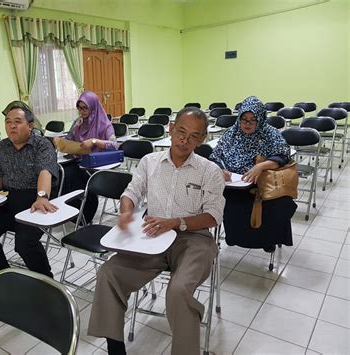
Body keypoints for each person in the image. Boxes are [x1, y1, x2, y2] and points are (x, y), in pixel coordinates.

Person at [88, 108, 225, 355]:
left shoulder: (209, 171)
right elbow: (132, 192)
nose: (185, 140)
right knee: (108, 272)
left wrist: (175, 222)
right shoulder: (150, 162)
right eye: (181, 132)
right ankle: (115, 349)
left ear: (202, 139)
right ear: (171, 129)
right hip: (153, 236)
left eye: (194, 136)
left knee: (179, 289)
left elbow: (213, 216)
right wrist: (126, 211)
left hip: (194, 239)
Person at [0, 101, 59, 279]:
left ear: (30, 125)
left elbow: (45, 173)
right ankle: (2, 277)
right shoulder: (3, 146)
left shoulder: (42, 145)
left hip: (36, 200)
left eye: (17, 121)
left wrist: (41, 197)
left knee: (24, 243)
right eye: (8, 121)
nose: (12, 126)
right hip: (12, 200)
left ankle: (47, 282)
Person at [210, 95, 297, 251]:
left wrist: (261, 166)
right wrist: (220, 169)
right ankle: (234, 236)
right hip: (233, 184)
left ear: (260, 119)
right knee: (228, 203)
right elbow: (215, 156)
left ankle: (268, 241)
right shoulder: (231, 133)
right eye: (244, 119)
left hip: (262, 184)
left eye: (253, 120)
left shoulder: (270, 133)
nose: (248, 124)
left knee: (278, 206)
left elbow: (283, 155)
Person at [55, 91, 117, 224]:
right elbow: (69, 139)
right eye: (79, 108)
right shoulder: (78, 123)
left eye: (85, 108)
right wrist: (63, 143)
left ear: (93, 107)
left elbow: (114, 145)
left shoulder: (105, 124)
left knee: (71, 175)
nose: (81, 112)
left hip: (95, 163)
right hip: (79, 161)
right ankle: (70, 211)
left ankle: (85, 212)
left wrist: (94, 141)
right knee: (61, 172)